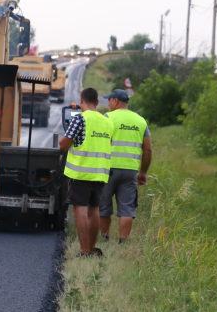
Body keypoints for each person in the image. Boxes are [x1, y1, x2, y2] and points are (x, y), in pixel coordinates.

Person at [59, 87, 113, 256]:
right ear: (97, 102)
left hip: (81, 173)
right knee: (94, 209)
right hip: (100, 173)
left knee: (80, 210)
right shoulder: (108, 122)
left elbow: (64, 144)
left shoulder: (80, 119)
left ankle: (84, 251)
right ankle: (92, 247)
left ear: (82, 102)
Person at [99, 89, 152, 243]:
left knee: (104, 206)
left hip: (107, 170)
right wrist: (143, 173)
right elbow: (148, 149)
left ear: (115, 101)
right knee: (127, 209)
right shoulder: (140, 121)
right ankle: (123, 242)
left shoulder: (107, 118)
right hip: (130, 171)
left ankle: (104, 239)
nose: (108, 103)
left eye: (109, 100)